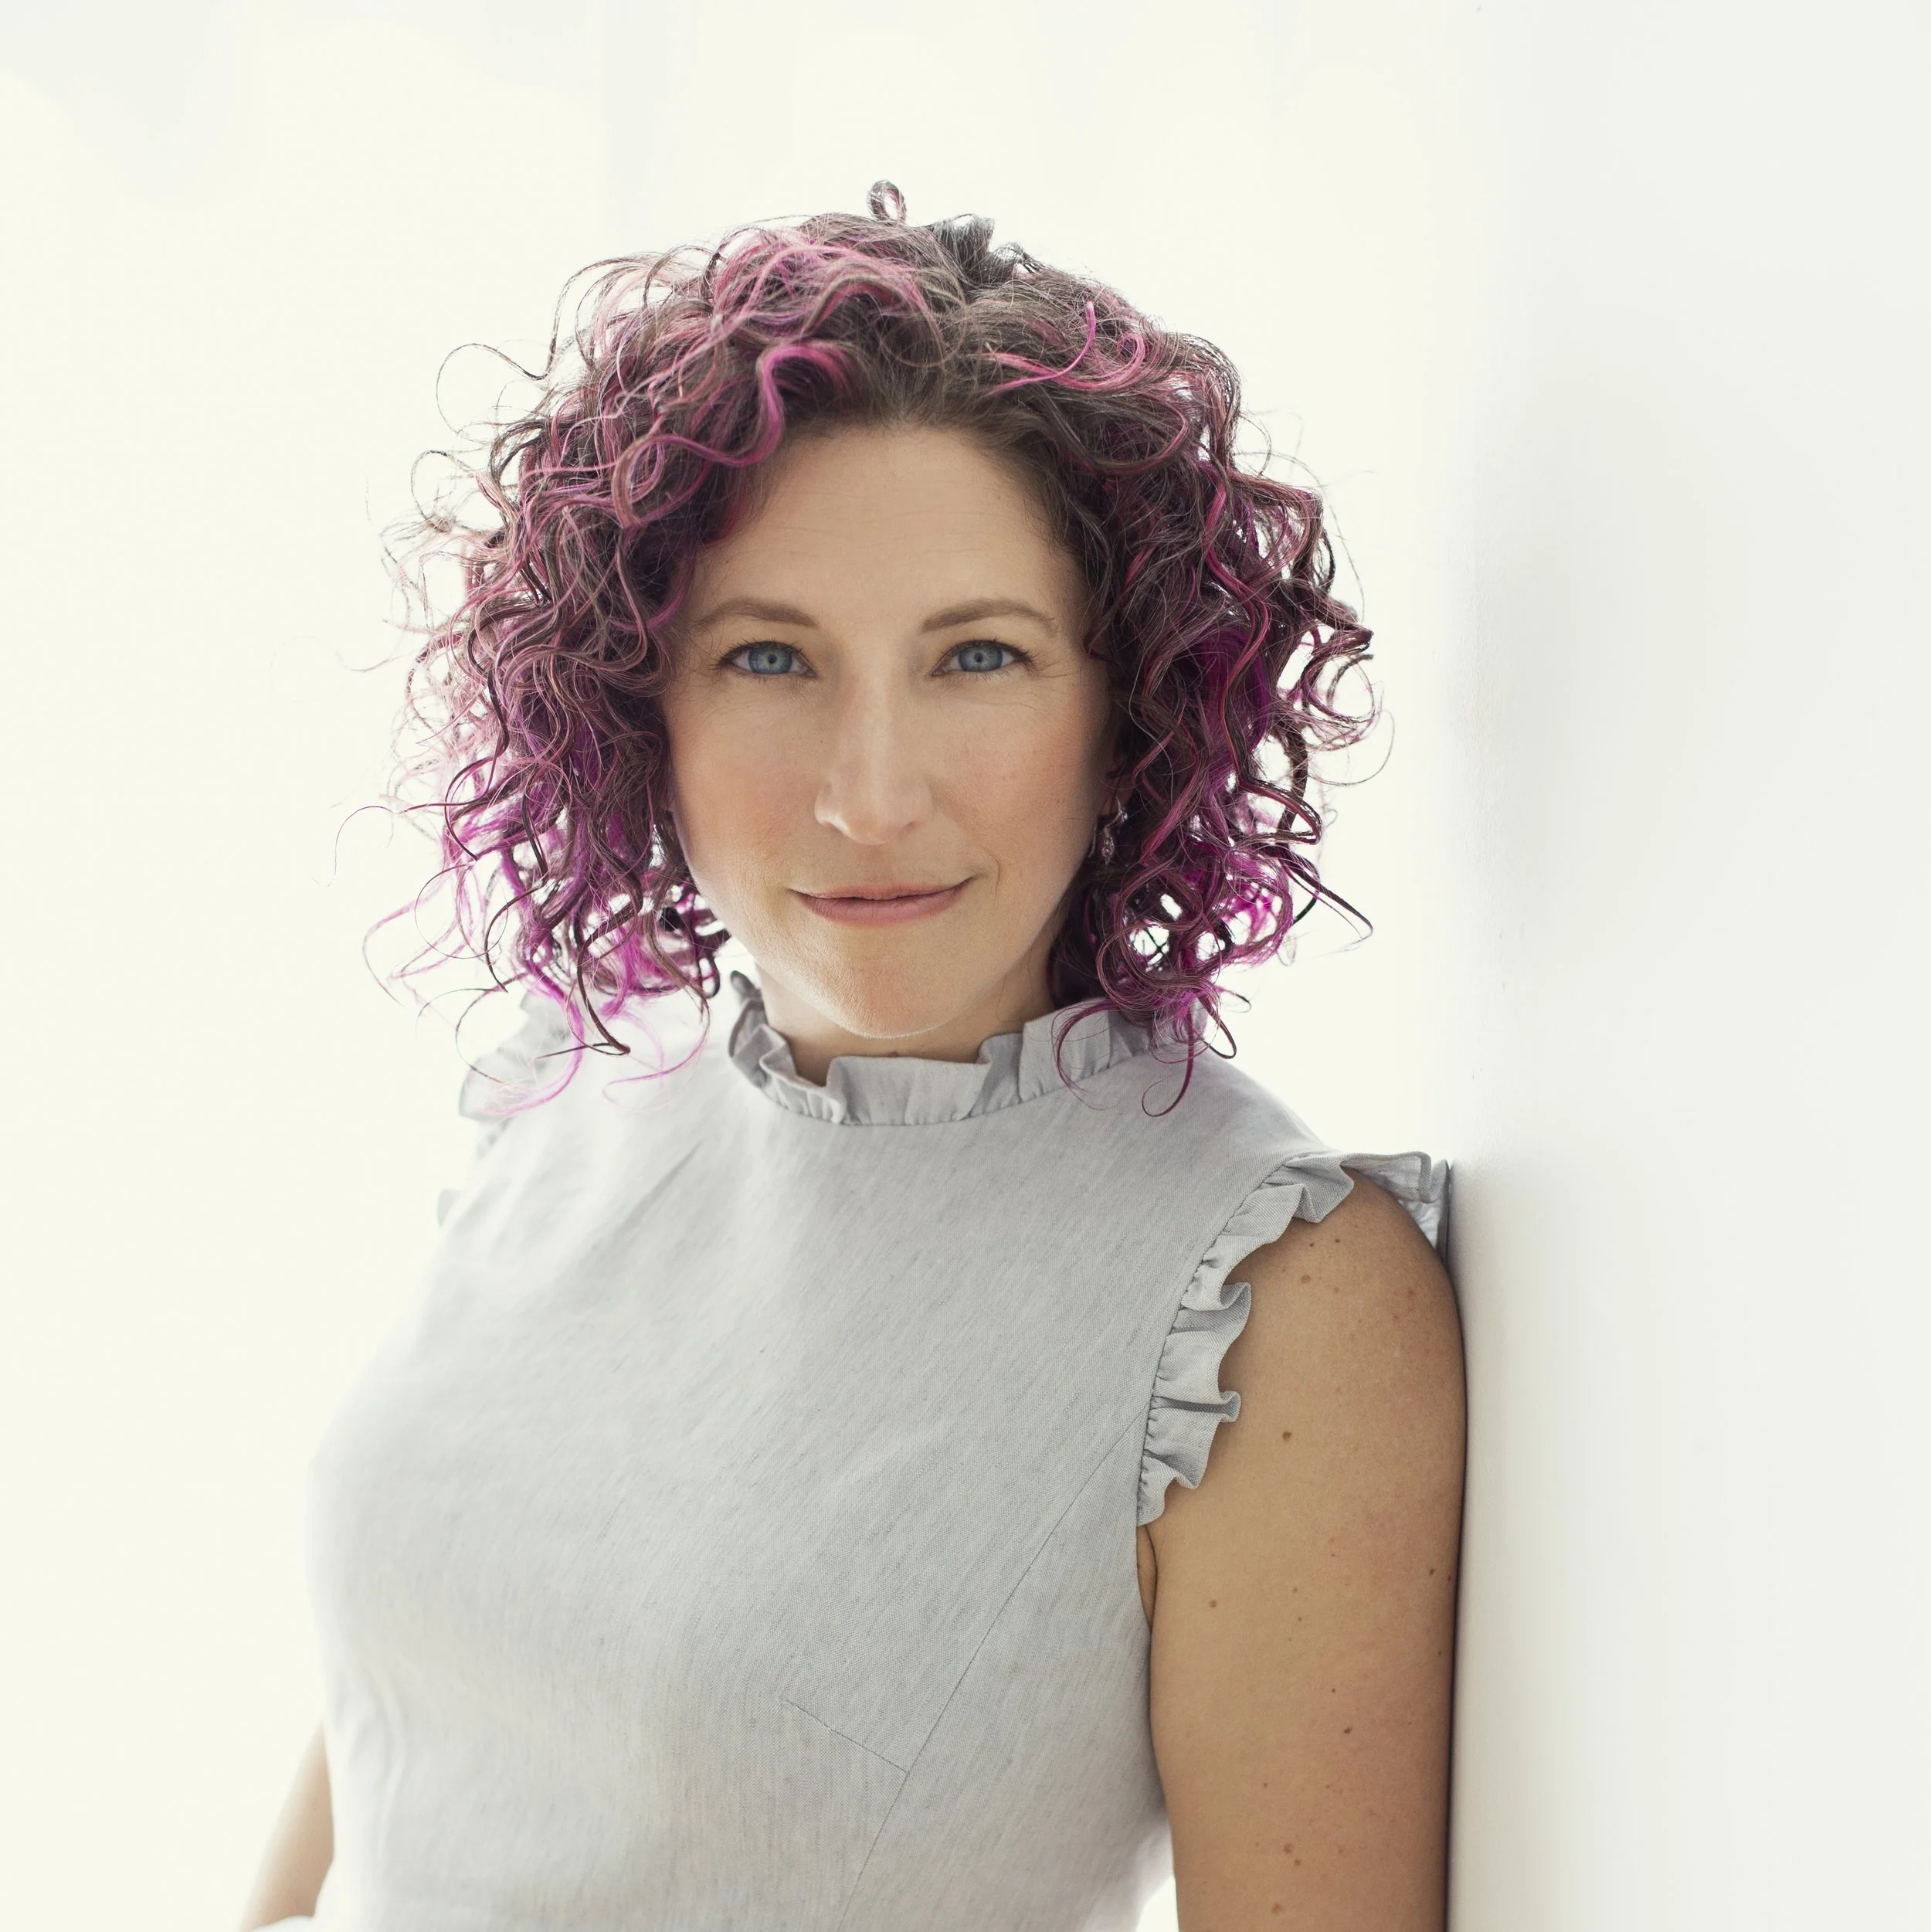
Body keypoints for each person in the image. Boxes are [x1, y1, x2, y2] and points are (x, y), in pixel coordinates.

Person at [239, 183, 1465, 1932]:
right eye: (768, 656)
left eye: (978, 656)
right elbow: (407, 1717)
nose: (869, 794)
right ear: (637, 702)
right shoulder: (574, 1078)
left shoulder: (1269, 1293)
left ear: (1129, 707)